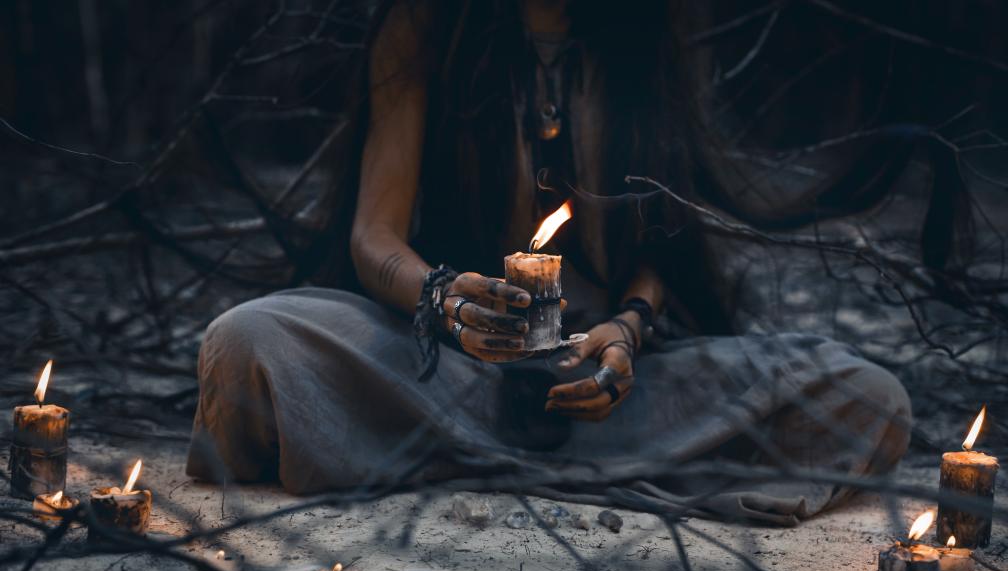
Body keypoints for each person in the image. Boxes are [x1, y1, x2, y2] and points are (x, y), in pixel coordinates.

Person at [185, 0, 912, 525]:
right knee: (244, 341)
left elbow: (663, 244)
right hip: (443, 373)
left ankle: (440, 459)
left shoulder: (642, 34)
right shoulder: (425, 23)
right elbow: (373, 236)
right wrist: (442, 297)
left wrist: (628, 329)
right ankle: (535, 460)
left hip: (608, 390)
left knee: (869, 397)